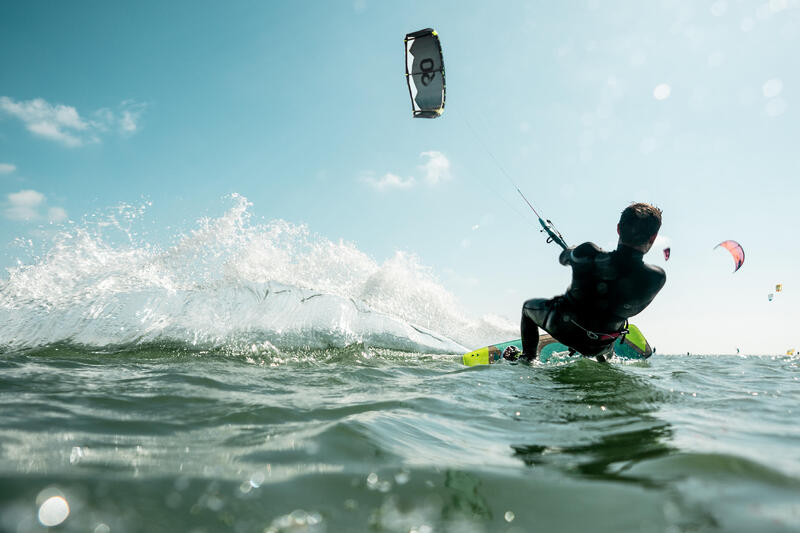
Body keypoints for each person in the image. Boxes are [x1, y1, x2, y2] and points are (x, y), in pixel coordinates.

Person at [519, 202, 666, 360]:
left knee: (528, 308)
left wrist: (573, 252)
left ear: (618, 229)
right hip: (601, 344)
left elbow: (563, 258)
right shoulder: (656, 278)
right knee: (609, 321)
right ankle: (607, 359)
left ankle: (528, 359)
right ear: (653, 237)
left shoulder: (588, 253)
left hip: (565, 329)